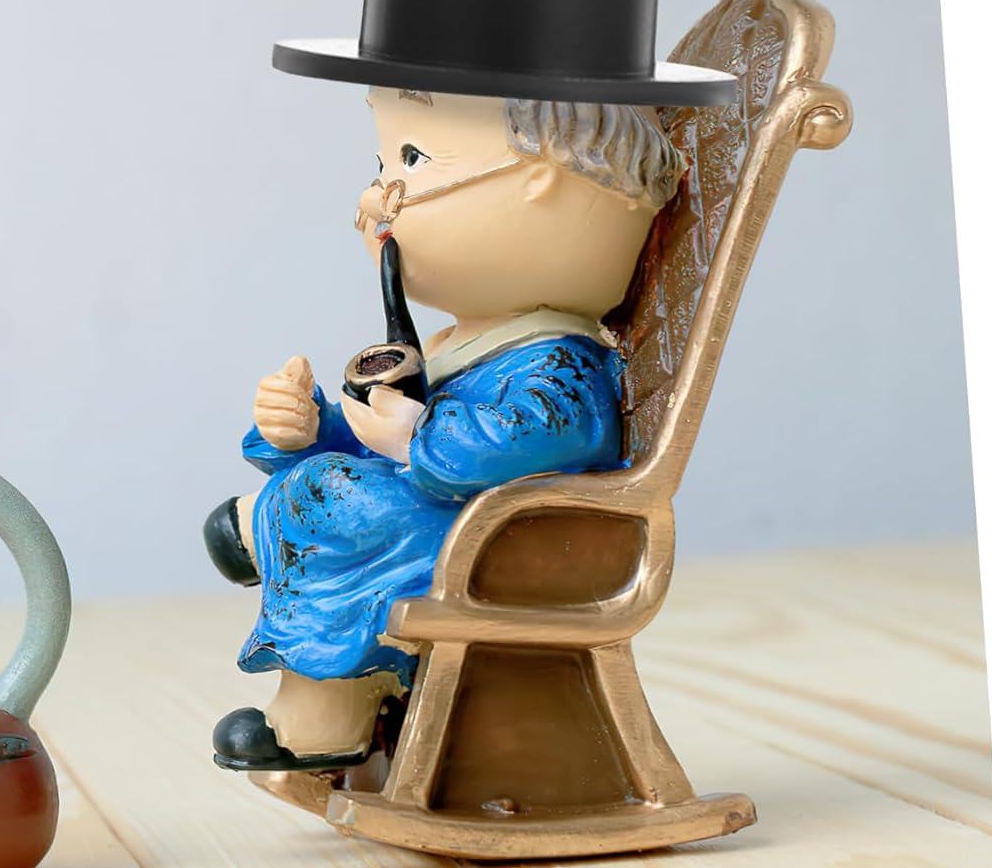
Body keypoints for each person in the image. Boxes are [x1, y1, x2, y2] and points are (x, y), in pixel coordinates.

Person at [203, 87, 685, 769]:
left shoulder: (559, 363)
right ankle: (273, 529)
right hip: (460, 524)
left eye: (413, 159)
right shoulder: (467, 347)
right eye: (381, 165)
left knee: (328, 497)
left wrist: (415, 436)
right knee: (325, 478)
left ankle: (321, 714)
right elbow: (389, 441)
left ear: (544, 182)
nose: (375, 196)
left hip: (505, 546)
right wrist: (312, 427)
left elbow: (534, 436)